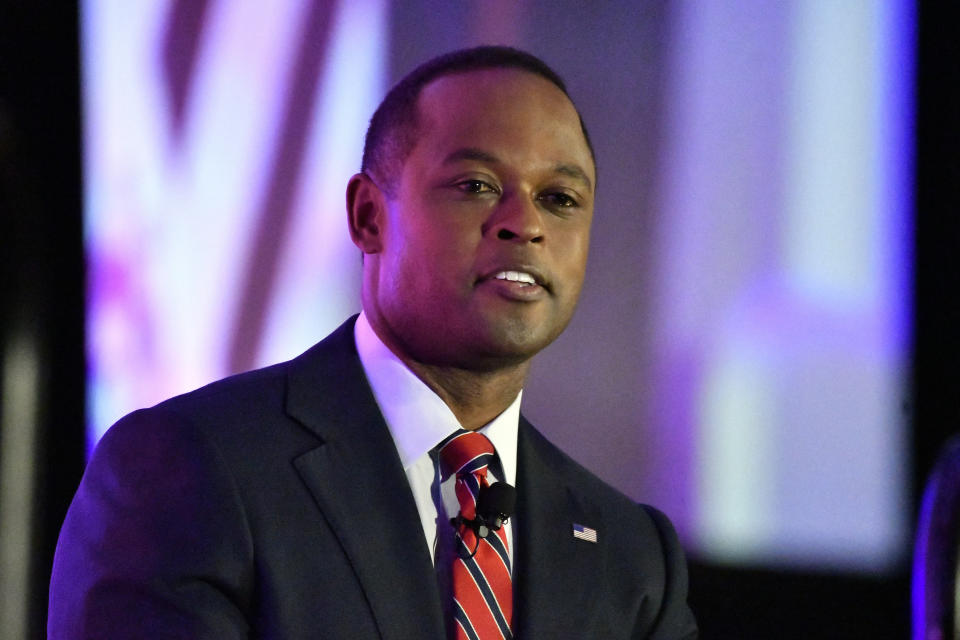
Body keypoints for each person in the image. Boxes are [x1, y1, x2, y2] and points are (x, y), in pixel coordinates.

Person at [48, 46, 697, 639]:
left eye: (559, 198)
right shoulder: (188, 469)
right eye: (475, 186)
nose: (524, 223)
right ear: (368, 216)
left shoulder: (629, 555)